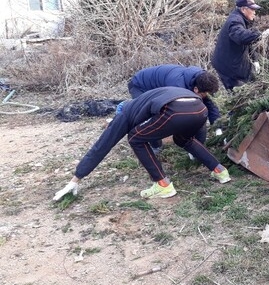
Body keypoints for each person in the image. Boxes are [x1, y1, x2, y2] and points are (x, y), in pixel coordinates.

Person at [52, 86, 231, 202]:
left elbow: (103, 145)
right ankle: (220, 171)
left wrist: (76, 178)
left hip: (176, 109)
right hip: (199, 108)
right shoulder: (144, 100)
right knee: (184, 139)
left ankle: (163, 185)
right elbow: (189, 128)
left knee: (135, 138)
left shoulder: (125, 113)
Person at [128, 65, 221, 154]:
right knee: (151, 116)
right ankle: (155, 146)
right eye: (205, 94)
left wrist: (218, 128)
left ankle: (198, 146)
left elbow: (208, 104)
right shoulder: (177, 86)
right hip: (140, 86)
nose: (206, 96)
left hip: (162, 86)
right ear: (196, 89)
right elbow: (175, 115)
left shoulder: (200, 80)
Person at [211, 0, 269, 91]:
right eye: (252, 9)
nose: (255, 12)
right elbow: (241, 37)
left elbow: (247, 43)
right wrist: (262, 35)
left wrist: (255, 60)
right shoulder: (235, 21)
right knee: (239, 92)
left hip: (232, 62)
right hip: (228, 66)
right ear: (243, 9)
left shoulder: (241, 19)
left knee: (249, 81)